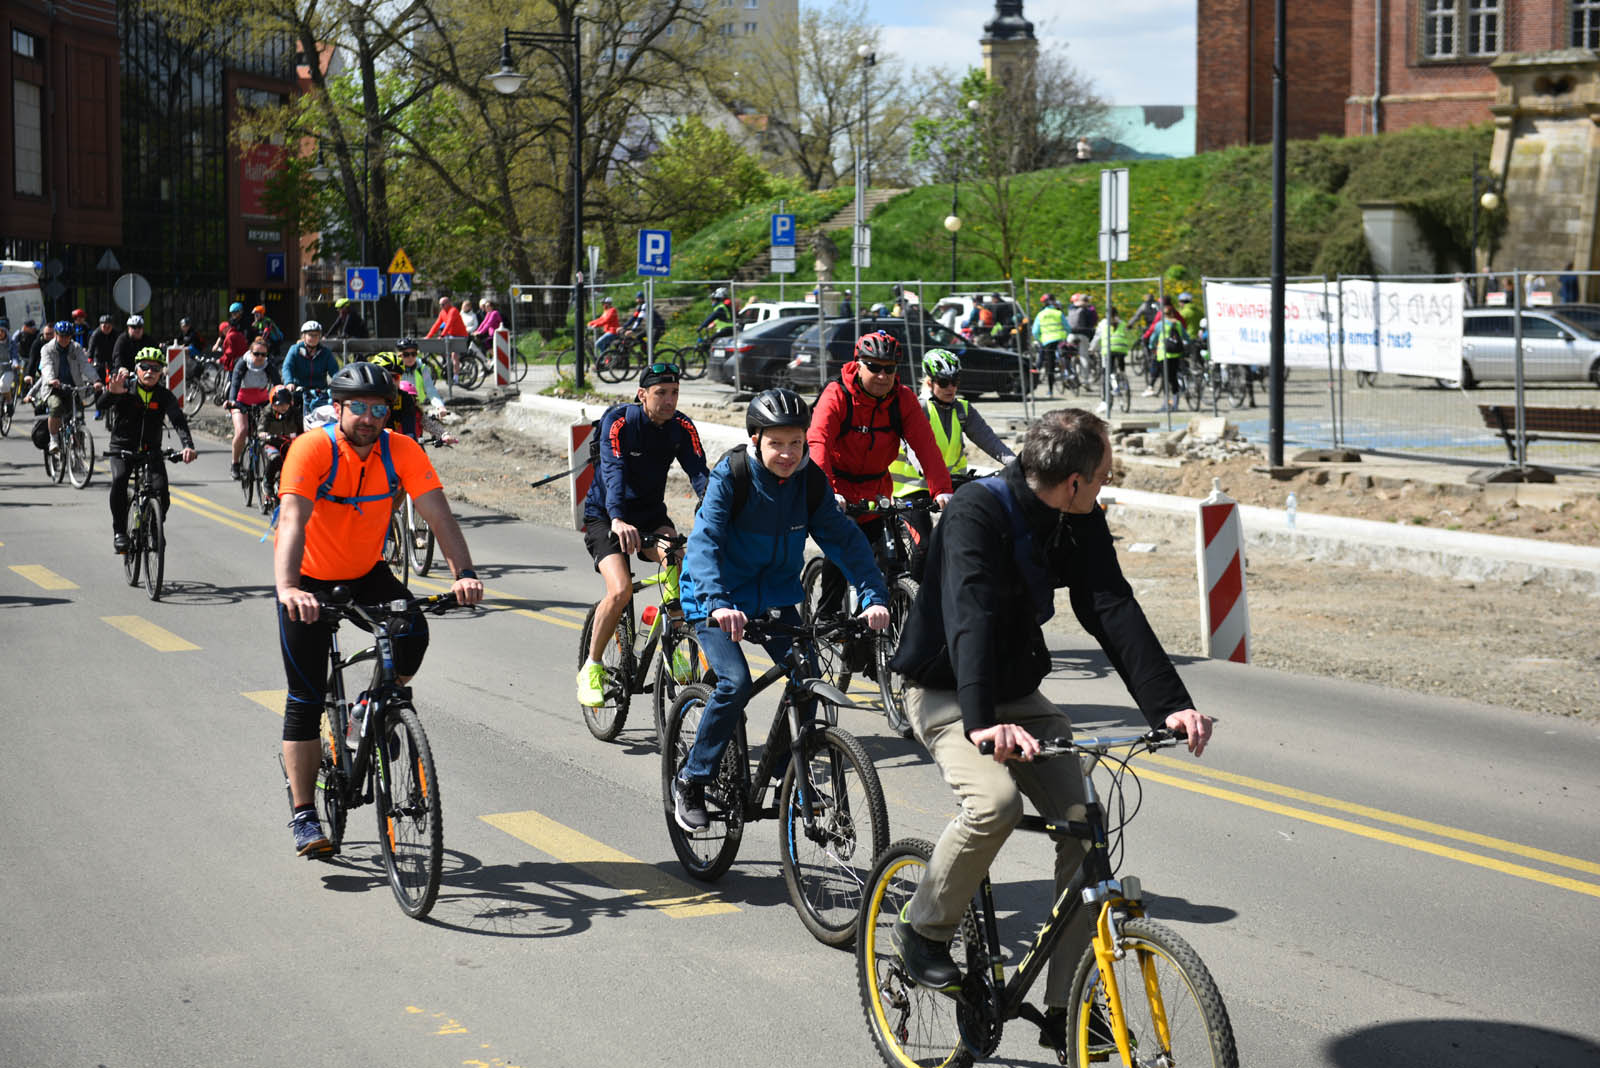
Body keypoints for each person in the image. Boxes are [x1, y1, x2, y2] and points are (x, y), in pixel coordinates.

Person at [886, 408, 1213, 1048]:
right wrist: (983, 725)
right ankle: (922, 926)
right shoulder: (975, 514)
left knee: (1083, 818)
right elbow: (970, 616)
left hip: (1017, 693)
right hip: (950, 691)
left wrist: (1169, 704)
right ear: (1072, 482)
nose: (1104, 488)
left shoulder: (1077, 518)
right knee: (996, 804)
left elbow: (1109, 603)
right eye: (1103, 477)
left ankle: (1069, 1006)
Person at [274, 361, 484, 856]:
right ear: (339, 408)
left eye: (378, 408)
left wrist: (464, 575)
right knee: (304, 699)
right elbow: (292, 519)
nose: (369, 418)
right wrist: (288, 588)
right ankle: (305, 814)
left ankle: (369, 707)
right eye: (359, 408)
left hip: (365, 571)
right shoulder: (312, 448)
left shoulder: (400, 449)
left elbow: (437, 512)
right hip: (307, 577)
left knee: (413, 632)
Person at [669, 388, 891, 831]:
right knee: (734, 683)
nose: (788, 454)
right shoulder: (732, 475)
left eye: (796, 443)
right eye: (776, 443)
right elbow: (705, 541)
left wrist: (873, 596)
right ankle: (692, 779)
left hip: (774, 597)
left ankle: (786, 775)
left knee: (807, 679)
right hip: (717, 600)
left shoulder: (810, 482)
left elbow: (843, 540)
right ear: (755, 440)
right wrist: (717, 603)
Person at [577, 361, 710, 706]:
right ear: (642, 395)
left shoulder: (681, 426)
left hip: (650, 515)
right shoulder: (620, 422)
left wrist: (713, 510)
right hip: (607, 515)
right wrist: (618, 519)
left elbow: (699, 473)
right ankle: (591, 667)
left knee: (675, 560)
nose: (669, 400)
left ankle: (676, 641)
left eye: (675, 393)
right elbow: (614, 470)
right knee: (620, 590)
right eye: (661, 393)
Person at [807, 331, 953, 626]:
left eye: (889, 368)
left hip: (876, 490)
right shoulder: (837, 394)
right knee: (844, 542)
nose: (883, 375)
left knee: (888, 558)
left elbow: (926, 446)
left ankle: (887, 629)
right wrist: (826, 491)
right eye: (874, 366)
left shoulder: (902, 399)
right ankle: (827, 614)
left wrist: (942, 490)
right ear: (858, 364)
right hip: (838, 488)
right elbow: (817, 442)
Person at [888, 350, 1016, 580]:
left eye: (955, 381)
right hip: (910, 491)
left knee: (976, 537)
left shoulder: (963, 409)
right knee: (923, 548)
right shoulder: (917, 408)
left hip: (952, 486)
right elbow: (914, 452)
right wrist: (933, 480)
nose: (951, 388)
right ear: (929, 381)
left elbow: (992, 443)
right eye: (944, 382)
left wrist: (1019, 466)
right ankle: (914, 602)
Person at [97, 348, 197, 552]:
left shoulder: (164, 396)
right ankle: (119, 533)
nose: (150, 371)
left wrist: (188, 445)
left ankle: (153, 528)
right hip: (122, 448)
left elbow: (178, 420)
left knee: (162, 493)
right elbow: (101, 404)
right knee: (120, 479)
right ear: (137, 369)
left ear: (161, 372)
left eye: (156, 368)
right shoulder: (124, 389)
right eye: (145, 367)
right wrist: (111, 393)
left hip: (151, 449)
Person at [225, 337, 283, 480]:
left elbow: (277, 384)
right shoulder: (243, 363)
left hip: (262, 402)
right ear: (250, 353)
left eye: (263, 354)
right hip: (240, 402)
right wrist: (232, 401)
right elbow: (235, 383)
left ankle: (273, 464)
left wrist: (282, 399)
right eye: (256, 354)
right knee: (242, 430)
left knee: (270, 432)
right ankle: (235, 464)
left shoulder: (268, 365)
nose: (260, 357)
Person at [36, 321, 102, 447]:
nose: (65, 339)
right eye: (62, 336)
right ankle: (54, 439)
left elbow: (85, 365)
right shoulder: (47, 349)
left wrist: (96, 380)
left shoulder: (76, 348)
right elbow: (46, 366)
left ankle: (78, 445)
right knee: (55, 406)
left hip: (73, 388)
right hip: (53, 388)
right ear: (56, 334)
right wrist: (51, 380)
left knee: (78, 416)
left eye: (68, 336)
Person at [259, 385, 302, 499]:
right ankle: (267, 482)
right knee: (275, 458)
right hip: (270, 443)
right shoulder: (268, 412)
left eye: (285, 404)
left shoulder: (295, 412)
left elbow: (301, 429)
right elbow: (261, 428)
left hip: (288, 443)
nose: (282, 407)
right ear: (273, 404)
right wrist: (264, 434)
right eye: (278, 405)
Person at [1146, 297, 1188, 412]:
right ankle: (1175, 403)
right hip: (1176, 354)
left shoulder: (1160, 324)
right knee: (1173, 378)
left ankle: (1166, 404)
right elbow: (1186, 337)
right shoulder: (1178, 324)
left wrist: (1151, 347)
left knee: (1165, 379)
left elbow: (1153, 339)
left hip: (1163, 354)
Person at [281, 321, 339, 398]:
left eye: (316, 335)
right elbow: (287, 367)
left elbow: (334, 370)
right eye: (310, 335)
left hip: (320, 391)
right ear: (303, 336)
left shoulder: (326, 352)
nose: (314, 338)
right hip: (299, 390)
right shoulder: (295, 349)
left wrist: (339, 382)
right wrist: (289, 382)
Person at [392, 338, 447, 411]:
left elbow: (430, 389)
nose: (410, 357)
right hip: (397, 408)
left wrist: (440, 406)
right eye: (406, 354)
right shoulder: (393, 370)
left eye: (413, 354)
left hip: (417, 407)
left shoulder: (422, 368)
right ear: (399, 355)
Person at [424, 295, 469, 382]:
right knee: (442, 349)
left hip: (460, 336)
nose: (441, 306)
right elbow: (436, 324)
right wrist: (428, 336)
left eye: (443, 304)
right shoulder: (442, 312)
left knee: (454, 355)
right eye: (440, 304)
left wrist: (442, 335)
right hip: (451, 335)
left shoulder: (453, 311)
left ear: (448, 303)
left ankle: (456, 377)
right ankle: (448, 366)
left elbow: (449, 323)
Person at [1032, 293, 1068, 395]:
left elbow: (1035, 331)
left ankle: (1050, 389)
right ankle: (1070, 372)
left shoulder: (1040, 314)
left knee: (1049, 365)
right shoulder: (1058, 312)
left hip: (1047, 341)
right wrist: (1066, 336)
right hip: (1060, 339)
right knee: (1066, 355)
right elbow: (1067, 327)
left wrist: (1040, 339)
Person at [87, 314, 119, 383]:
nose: (107, 329)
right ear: (100, 326)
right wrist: (89, 358)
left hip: (111, 356)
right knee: (99, 372)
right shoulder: (96, 334)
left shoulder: (115, 334)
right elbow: (91, 346)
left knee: (114, 373)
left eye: (109, 327)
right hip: (99, 356)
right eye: (104, 326)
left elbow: (118, 347)